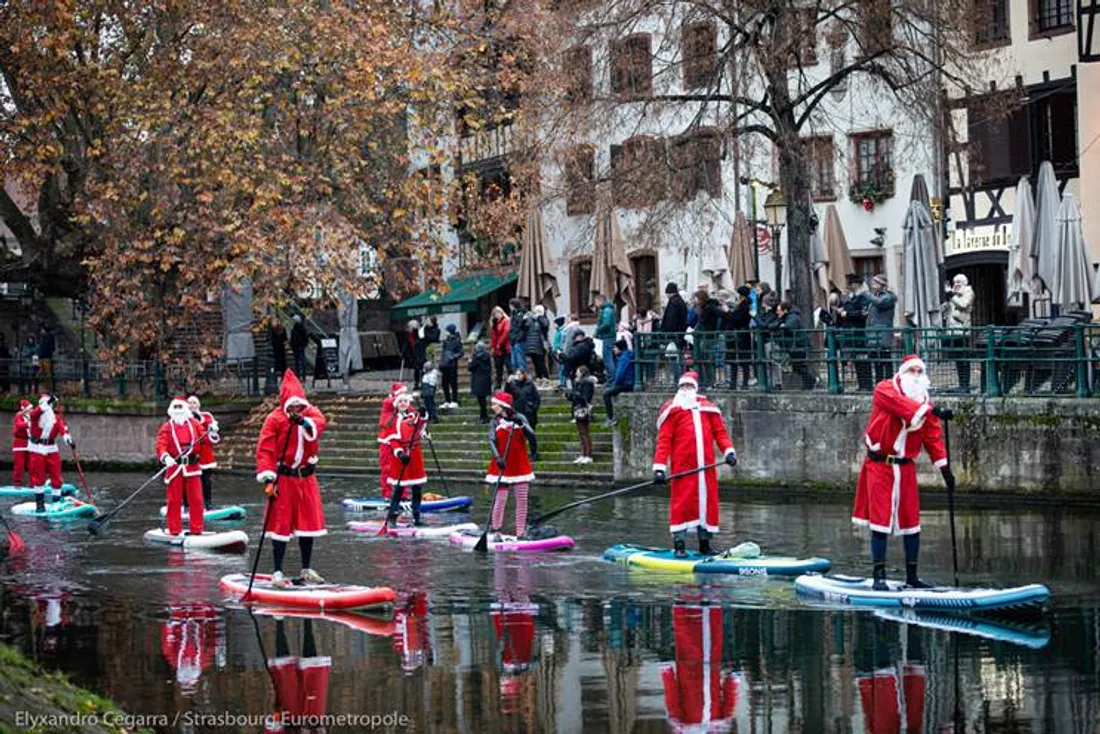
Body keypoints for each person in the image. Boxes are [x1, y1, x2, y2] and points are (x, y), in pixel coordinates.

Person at [851, 355, 955, 590]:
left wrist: (945, 469)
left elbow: (932, 436)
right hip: (881, 466)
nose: (916, 375)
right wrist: (932, 410)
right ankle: (879, 577)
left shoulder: (924, 402)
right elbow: (902, 406)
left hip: (906, 466)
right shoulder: (885, 389)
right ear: (903, 372)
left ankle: (912, 577)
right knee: (880, 520)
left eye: (920, 371)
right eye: (912, 370)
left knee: (911, 521)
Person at [255, 370, 328, 588]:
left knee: (308, 523)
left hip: (305, 478)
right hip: (283, 478)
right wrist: (268, 479)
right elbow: (265, 449)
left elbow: (319, 422)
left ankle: (306, 568)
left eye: (299, 406)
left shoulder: (310, 414)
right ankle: (277, 571)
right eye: (292, 406)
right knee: (280, 523)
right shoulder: (275, 419)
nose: (296, 410)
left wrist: (304, 422)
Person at [651, 372, 737, 557]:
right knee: (681, 505)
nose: (686, 390)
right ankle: (679, 545)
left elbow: (720, 434)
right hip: (683, 469)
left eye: (689, 387)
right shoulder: (672, 411)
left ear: (695, 388)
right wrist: (659, 468)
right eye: (683, 387)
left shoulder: (708, 410)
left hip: (705, 469)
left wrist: (729, 452)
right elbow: (664, 441)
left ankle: (705, 545)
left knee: (707, 506)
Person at [485, 392, 538, 539]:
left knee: (522, 500)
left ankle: (520, 532)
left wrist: (521, 425)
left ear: (503, 406)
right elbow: (491, 440)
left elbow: (532, 435)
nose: (492, 407)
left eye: (494, 404)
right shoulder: (495, 422)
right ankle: (496, 529)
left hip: (520, 465)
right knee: (500, 499)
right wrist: (497, 457)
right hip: (502, 464)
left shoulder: (519, 418)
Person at [156, 397, 206, 536]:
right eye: (175, 407)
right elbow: (161, 444)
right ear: (171, 410)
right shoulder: (167, 427)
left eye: (180, 407)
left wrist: (212, 432)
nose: (178, 410)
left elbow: (206, 439)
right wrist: (166, 457)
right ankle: (174, 530)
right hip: (175, 468)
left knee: (196, 499)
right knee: (174, 500)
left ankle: (197, 529)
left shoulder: (194, 424)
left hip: (192, 467)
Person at [383, 393, 429, 526]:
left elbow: (421, 425)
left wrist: (423, 414)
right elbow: (392, 440)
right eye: (400, 401)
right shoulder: (392, 421)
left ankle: (416, 516)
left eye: (405, 401)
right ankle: (392, 516)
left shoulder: (413, 417)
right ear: (396, 404)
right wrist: (400, 453)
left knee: (417, 488)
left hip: (415, 455)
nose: (403, 403)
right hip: (401, 457)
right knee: (399, 489)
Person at [28, 394, 73, 512]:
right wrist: (47, 402)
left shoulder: (56, 418)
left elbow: (63, 430)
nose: (48, 408)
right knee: (39, 477)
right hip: (38, 448)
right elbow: (36, 412)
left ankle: (56, 502)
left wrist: (68, 440)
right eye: (46, 405)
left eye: (50, 405)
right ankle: (40, 504)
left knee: (56, 476)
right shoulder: (35, 416)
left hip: (52, 448)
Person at [838, 274, 872, 391]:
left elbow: (863, 314)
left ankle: (866, 385)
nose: (849, 286)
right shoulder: (852, 297)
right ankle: (862, 384)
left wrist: (847, 314)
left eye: (851, 284)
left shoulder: (863, 297)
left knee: (862, 359)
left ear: (857, 284)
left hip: (859, 332)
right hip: (853, 332)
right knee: (858, 359)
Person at [186, 396, 221, 510]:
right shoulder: (183, 418)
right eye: (189, 403)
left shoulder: (206, 416)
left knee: (206, 480)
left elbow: (212, 431)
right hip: (190, 452)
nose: (192, 405)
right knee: (188, 480)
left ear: (198, 405)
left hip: (205, 453)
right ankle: (187, 505)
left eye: (194, 403)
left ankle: (208, 503)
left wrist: (213, 429)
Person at [944, 273, 975, 393]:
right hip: (953, 330)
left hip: (962, 330)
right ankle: (960, 384)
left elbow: (964, 305)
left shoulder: (968, 292)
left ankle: (965, 385)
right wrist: (946, 303)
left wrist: (952, 296)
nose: (955, 285)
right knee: (958, 358)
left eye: (958, 283)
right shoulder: (954, 294)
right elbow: (949, 310)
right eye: (954, 282)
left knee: (963, 358)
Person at [776, 301, 815, 390]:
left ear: (785, 310)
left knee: (798, 365)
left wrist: (783, 326)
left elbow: (790, 327)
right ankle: (808, 384)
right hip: (796, 344)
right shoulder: (790, 316)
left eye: (779, 310)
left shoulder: (792, 317)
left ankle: (810, 382)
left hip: (798, 344)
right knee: (798, 366)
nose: (778, 312)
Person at [378, 382, 408, 497]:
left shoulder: (405, 405)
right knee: (386, 468)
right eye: (402, 394)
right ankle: (387, 494)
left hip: (400, 440)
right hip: (386, 440)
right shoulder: (388, 403)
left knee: (403, 467)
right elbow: (391, 402)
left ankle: (403, 495)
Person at [867, 274, 898, 382]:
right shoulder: (876, 296)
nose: (872, 285)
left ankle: (888, 381)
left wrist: (868, 295)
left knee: (885, 358)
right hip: (873, 333)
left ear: (882, 285)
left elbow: (880, 303)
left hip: (883, 333)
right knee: (876, 359)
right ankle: (879, 382)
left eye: (875, 283)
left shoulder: (888, 297)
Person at [568, 365, 596, 464]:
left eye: (578, 371)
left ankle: (588, 455)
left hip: (583, 409)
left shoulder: (587, 383)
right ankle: (583, 453)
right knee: (581, 433)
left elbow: (586, 397)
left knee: (585, 433)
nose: (576, 373)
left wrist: (575, 395)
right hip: (577, 408)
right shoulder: (578, 383)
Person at [603, 339, 635, 426]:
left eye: (615, 348)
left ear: (620, 348)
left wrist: (615, 383)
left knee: (606, 394)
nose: (614, 350)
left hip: (626, 384)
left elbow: (620, 373)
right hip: (630, 382)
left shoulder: (623, 358)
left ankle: (610, 417)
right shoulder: (628, 355)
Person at [730, 286, 753, 389]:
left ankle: (737, 383)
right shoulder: (746, 304)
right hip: (743, 334)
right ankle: (743, 383)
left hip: (741, 334)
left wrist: (730, 313)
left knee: (740, 360)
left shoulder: (743, 305)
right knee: (743, 360)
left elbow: (736, 318)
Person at [439, 324, 464, 409]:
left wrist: (453, 356)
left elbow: (461, 352)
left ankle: (454, 400)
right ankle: (447, 400)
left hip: (452, 365)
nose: (445, 333)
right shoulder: (446, 341)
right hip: (445, 365)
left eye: (447, 331)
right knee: (444, 383)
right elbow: (443, 352)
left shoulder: (457, 340)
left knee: (453, 383)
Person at [523, 305, 550, 382]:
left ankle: (545, 377)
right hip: (531, 345)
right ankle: (539, 377)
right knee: (535, 362)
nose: (535, 313)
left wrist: (539, 317)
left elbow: (545, 326)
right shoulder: (530, 320)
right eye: (534, 311)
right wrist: (524, 319)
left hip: (540, 344)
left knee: (540, 362)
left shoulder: (544, 319)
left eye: (537, 311)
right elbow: (524, 328)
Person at [468, 342, 493, 424]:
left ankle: (484, 417)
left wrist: (470, 360)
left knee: (481, 401)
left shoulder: (476, 357)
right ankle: (484, 416)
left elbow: (470, 367)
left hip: (478, 381)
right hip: (485, 380)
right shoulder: (487, 356)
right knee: (483, 400)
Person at [554, 315, 580, 389]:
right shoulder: (575, 327)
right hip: (571, 351)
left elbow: (567, 342)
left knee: (565, 369)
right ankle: (564, 383)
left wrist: (563, 353)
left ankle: (563, 383)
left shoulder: (570, 328)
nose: (566, 321)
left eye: (568, 319)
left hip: (566, 352)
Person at [594, 294, 617, 376]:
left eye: (596, 301)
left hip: (608, 336)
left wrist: (598, 330)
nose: (595, 304)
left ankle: (612, 378)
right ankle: (611, 377)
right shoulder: (607, 310)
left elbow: (606, 324)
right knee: (608, 357)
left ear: (600, 301)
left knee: (608, 358)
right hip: (608, 336)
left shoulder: (607, 310)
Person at [490, 306, 511, 390]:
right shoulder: (494, 323)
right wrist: (493, 347)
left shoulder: (506, 321)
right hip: (497, 349)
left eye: (498, 312)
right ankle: (498, 384)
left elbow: (506, 332)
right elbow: (493, 336)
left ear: (502, 313)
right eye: (495, 313)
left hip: (505, 347)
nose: (497, 314)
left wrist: (499, 343)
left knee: (508, 366)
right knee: (498, 368)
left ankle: (510, 384)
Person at [401, 320, 427, 387]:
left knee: (422, 369)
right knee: (416, 369)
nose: (408, 328)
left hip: (420, 353)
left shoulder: (419, 333)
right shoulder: (408, 335)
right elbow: (406, 344)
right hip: (414, 354)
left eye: (409, 327)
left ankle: (423, 383)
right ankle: (416, 383)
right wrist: (403, 353)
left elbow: (422, 341)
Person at [11, 399, 31, 487]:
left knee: (32, 464)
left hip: (29, 443)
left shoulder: (31, 415)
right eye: (29, 408)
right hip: (19, 443)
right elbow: (19, 424)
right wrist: (28, 424)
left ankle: (34, 483)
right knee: (19, 465)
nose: (30, 410)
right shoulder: (19, 415)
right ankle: (17, 483)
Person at [508, 299, 528, 372]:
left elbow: (519, 325)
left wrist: (518, 338)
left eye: (510, 305)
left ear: (513, 305)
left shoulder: (520, 314)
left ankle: (523, 377)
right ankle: (517, 377)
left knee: (520, 361)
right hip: (513, 340)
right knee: (514, 362)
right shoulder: (513, 314)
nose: (509, 307)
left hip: (518, 340)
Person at [289, 315, 309, 380]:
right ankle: (303, 376)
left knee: (297, 362)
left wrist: (292, 345)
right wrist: (304, 344)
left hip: (297, 346)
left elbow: (292, 338)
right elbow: (306, 338)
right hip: (299, 346)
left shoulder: (294, 329)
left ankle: (299, 375)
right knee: (301, 361)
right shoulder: (302, 328)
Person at [36, 326, 55, 391]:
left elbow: (50, 348)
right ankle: (45, 388)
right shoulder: (43, 338)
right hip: (43, 357)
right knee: (43, 373)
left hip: (45, 357)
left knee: (46, 373)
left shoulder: (47, 338)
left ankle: (48, 388)